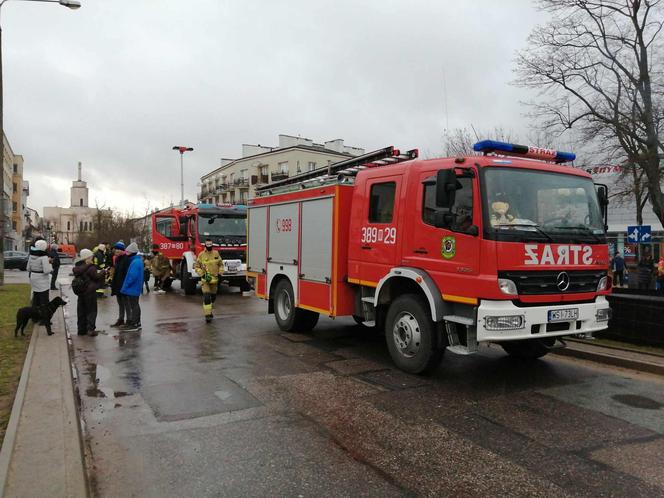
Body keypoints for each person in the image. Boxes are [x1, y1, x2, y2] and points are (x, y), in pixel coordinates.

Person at [72, 248, 105, 336]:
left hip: (81, 292)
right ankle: (90, 329)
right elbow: (96, 277)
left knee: (81, 311)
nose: (92, 258)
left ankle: (81, 330)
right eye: (91, 257)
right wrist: (103, 272)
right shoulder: (91, 267)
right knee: (92, 311)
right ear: (87, 258)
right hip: (90, 292)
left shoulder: (77, 267)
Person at [194, 238, 223, 323]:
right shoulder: (201, 255)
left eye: (210, 245)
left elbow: (221, 264)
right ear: (205, 245)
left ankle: (209, 309)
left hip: (214, 280)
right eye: (208, 245)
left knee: (212, 298)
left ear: (212, 245)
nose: (209, 246)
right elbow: (196, 266)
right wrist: (202, 274)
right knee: (207, 297)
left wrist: (220, 273)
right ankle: (208, 315)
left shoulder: (216, 253)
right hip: (205, 280)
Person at [120, 242, 144, 332]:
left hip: (132, 288)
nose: (126, 254)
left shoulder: (135, 262)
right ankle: (136, 322)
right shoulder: (137, 261)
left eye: (128, 252)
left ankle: (135, 323)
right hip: (135, 288)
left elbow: (132, 276)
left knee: (134, 306)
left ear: (132, 252)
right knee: (135, 305)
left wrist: (125, 286)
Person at [28, 239, 53, 325]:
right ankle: (44, 319)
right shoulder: (44, 257)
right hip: (42, 280)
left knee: (36, 299)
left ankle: (35, 318)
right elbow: (46, 271)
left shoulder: (31, 256)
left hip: (34, 278)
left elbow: (28, 268)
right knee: (44, 300)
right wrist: (49, 263)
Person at [109, 242, 129, 328]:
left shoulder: (126, 259)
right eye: (115, 249)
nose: (116, 250)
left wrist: (125, 285)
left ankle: (129, 321)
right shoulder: (117, 259)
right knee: (120, 304)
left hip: (124, 286)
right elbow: (116, 273)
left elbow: (127, 274)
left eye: (118, 249)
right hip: (117, 285)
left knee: (126, 304)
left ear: (122, 250)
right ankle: (121, 319)